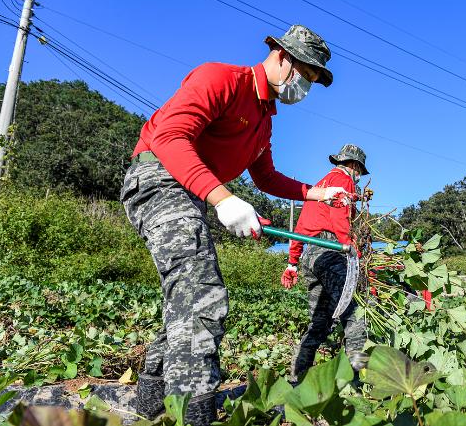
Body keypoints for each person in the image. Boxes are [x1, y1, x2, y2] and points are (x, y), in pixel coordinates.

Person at [120, 25, 349, 426]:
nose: (305, 89)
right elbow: (170, 138)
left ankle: (151, 400)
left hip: (192, 194)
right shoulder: (221, 78)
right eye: (305, 75)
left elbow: (266, 178)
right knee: (200, 291)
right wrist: (223, 198)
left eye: (312, 83)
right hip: (156, 179)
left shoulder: (264, 122)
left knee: (187, 294)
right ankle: (194, 413)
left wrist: (316, 194)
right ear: (281, 56)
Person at [281, 144, 370, 382]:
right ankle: (360, 380)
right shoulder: (344, 180)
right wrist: (349, 246)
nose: (359, 176)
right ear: (353, 165)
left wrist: (292, 263)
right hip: (331, 251)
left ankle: (297, 381)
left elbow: (300, 228)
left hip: (310, 255)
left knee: (319, 323)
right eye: (359, 170)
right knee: (356, 315)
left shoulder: (318, 187)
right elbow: (339, 215)